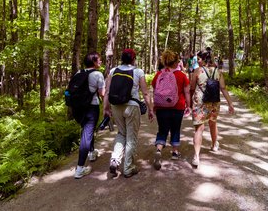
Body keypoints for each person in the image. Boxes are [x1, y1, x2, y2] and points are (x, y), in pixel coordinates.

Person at [103, 49, 155, 178]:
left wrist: (106, 108)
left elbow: (108, 91)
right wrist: (150, 109)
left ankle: (115, 159)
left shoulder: (113, 71)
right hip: (132, 106)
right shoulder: (138, 72)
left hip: (116, 106)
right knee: (131, 137)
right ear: (133, 59)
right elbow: (146, 93)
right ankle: (128, 167)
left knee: (121, 133)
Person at [190, 50, 235, 168]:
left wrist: (189, 102)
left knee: (199, 129)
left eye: (199, 59)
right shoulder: (218, 72)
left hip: (200, 102)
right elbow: (223, 88)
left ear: (204, 59)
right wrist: (230, 103)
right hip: (214, 102)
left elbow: (192, 88)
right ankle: (215, 145)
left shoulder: (197, 71)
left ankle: (196, 156)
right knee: (213, 123)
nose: (198, 61)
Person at [151, 50, 191, 170]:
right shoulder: (181, 75)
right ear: (175, 63)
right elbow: (187, 91)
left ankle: (159, 149)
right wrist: (188, 105)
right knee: (175, 128)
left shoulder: (159, 74)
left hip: (161, 107)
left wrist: (154, 105)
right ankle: (174, 152)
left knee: (162, 130)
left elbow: (154, 89)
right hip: (177, 106)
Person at [74, 52, 106, 179]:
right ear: (93, 62)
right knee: (86, 135)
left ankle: (92, 153)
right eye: (99, 60)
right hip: (91, 107)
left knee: (87, 130)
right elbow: (102, 93)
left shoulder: (79, 73)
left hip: (78, 108)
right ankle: (80, 168)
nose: (101, 62)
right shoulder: (97, 74)